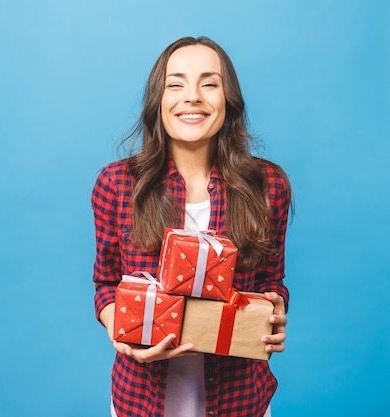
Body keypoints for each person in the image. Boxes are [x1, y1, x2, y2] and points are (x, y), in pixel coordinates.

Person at [90, 36, 292, 417]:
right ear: (158, 101)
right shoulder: (117, 184)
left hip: (241, 399)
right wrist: (126, 336)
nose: (192, 97)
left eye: (209, 83)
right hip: (141, 399)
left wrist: (275, 312)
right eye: (176, 84)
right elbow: (105, 285)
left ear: (228, 100)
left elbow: (271, 282)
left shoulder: (268, 185)